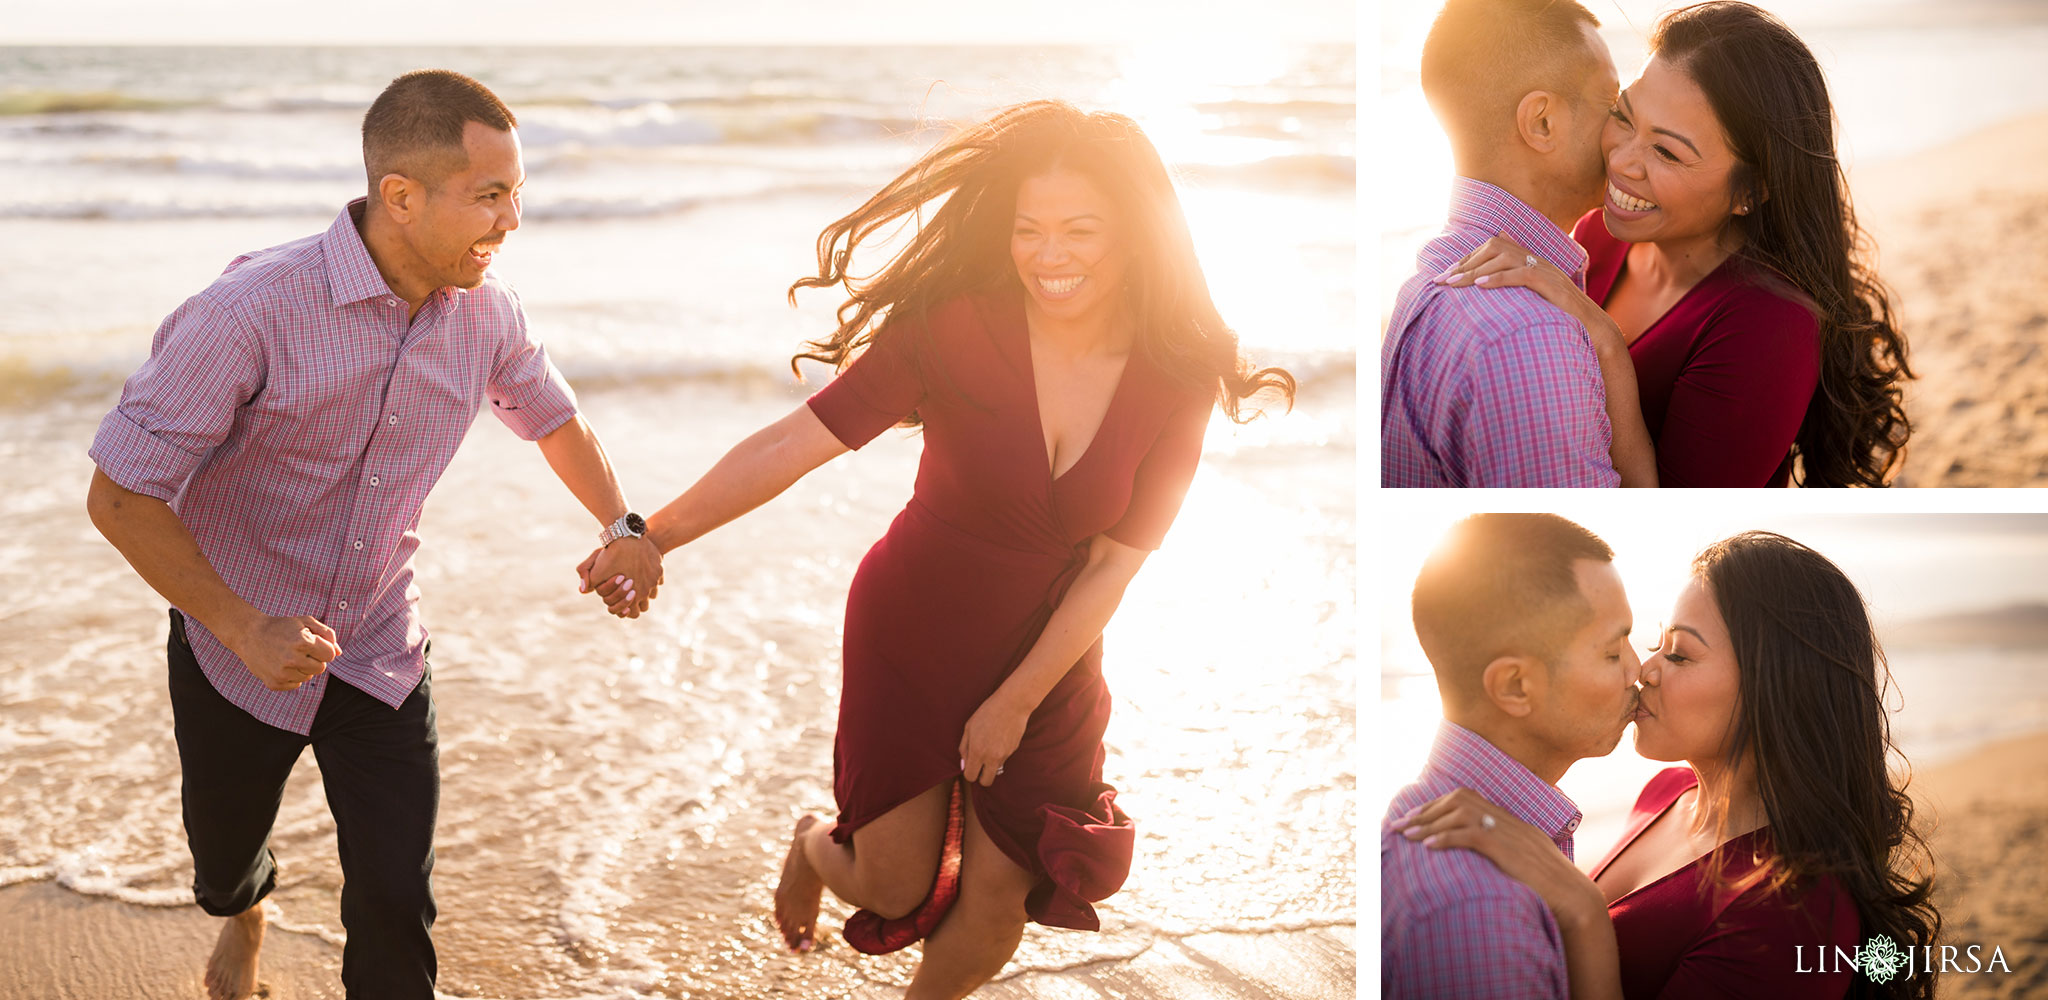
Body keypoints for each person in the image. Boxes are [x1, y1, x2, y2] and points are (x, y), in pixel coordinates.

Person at [576, 100, 1292, 998]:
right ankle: (810, 844)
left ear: (1137, 236)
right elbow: (794, 443)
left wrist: (1017, 702)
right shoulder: (951, 328)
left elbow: (1116, 562)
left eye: (1080, 231)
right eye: (1029, 229)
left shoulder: (1178, 371)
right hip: (914, 625)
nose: (1050, 255)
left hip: (1052, 654)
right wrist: (652, 534)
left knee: (998, 904)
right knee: (894, 881)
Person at [83, 70, 662, 1000]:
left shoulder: (489, 309)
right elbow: (120, 497)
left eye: (518, 192)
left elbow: (553, 417)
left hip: (380, 648)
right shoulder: (247, 313)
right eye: (489, 195)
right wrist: (242, 626)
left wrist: (622, 523)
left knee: (396, 902)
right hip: (236, 647)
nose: (512, 219)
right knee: (221, 863)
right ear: (400, 196)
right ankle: (247, 911)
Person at [1397, 532, 1940, 998]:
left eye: (1679, 654)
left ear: (1773, 686)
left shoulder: (1795, 911)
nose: (1644, 670)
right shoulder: (1667, 792)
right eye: (1654, 644)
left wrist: (1585, 916)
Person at [1434, 2, 1913, 487]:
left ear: (1750, 191)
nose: (1622, 161)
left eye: (1666, 151)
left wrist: (1605, 343)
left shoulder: (1771, 327)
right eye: (1622, 115)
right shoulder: (1598, 235)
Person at [1381, 0, 1654, 488]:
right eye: (1611, 105)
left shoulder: (1427, 281)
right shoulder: (1531, 337)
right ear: (1542, 122)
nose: (1621, 131)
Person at [1382, 513, 1642, 998]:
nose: (1637, 669)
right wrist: (1586, 916)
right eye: (1612, 652)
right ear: (1515, 686)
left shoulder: (1414, 808)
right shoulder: (1480, 912)